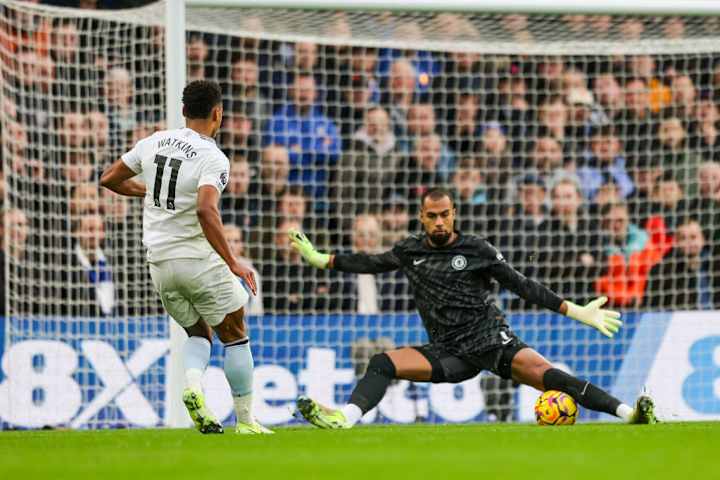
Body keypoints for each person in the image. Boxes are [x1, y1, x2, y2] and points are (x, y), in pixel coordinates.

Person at [288, 187, 657, 429]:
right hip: (450, 353)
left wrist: (576, 311)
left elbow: (522, 285)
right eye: (431, 216)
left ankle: (630, 414)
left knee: (555, 378)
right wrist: (323, 260)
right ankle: (345, 419)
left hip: (493, 342)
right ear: (422, 216)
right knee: (382, 363)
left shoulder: (477, 249)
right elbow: (371, 263)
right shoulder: (411, 250)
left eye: (444, 214)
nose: (438, 222)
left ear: (454, 213)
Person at [99, 80, 271, 435]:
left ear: (183, 111)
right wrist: (233, 262)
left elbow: (109, 179)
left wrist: (151, 192)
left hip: (159, 263)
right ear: (217, 114)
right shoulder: (213, 157)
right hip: (196, 259)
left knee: (198, 332)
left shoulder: (155, 140)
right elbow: (208, 210)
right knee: (236, 332)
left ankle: (193, 387)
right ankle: (246, 421)